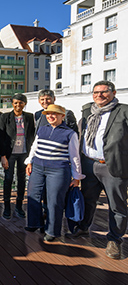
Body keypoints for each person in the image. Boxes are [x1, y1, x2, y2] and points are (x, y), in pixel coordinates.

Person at [71, 81, 128, 259]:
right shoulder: (88, 111)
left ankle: (115, 240)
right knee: (88, 199)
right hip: (89, 163)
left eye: (104, 92)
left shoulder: (124, 111)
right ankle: (83, 228)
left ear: (113, 93)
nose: (99, 95)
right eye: (96, 92)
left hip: (113, 166)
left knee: (116, 205)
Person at [24, 104, 83, 242]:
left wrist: (77, 177)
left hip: (58, 170)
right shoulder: (42, 129)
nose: (51, 116)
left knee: (54, 200)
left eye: (55, 114)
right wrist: (29, 161)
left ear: (62, 116)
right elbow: (35, 146)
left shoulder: (70, 133)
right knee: (33, 195)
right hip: (38, 167)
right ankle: (33, 223)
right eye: (49, 114)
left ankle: (52, 231)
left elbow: (75, 156)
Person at [0, 94, 35, 219]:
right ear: (12, 104)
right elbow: (1, 137)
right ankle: (7, 207)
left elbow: (32, 136)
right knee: (8, 179)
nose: (18, 105)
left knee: (21, 180)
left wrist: (31, 156)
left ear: (24, 104)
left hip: (24, 153)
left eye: (20, 103)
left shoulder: (29, 117)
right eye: (15, 103)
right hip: (10, 153)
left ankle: (19, 206)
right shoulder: (5, 117)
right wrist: (3, 156)